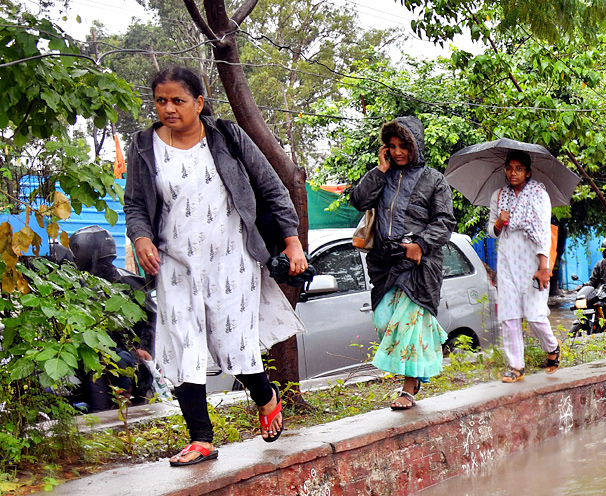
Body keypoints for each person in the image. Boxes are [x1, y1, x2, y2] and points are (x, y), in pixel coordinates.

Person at [124, 66, 307, 467]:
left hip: (231, 260)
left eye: (178, 100)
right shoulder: (144, 146)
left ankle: (266, 397)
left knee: (233, 346)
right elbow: (136, 204)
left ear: (199, 102)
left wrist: (292, 241)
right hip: (174, 264)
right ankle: (201, 439)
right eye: (160, 101)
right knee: (181, 346)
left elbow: (270, 186)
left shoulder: (225, 136)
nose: (168, 109)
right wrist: (140, 238)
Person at [348, 117, 455, 411]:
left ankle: (408, 388)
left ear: (415, 146)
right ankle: (416, 375)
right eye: (392, 147)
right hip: (385, 264)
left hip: (420, 265)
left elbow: (445, 222)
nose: (397, 153)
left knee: (410, 325)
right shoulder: (383, 175)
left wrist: (418, 245)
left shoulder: (434, 180)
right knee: (384, 322)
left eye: (403, 146)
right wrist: (380, 170)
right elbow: (358, 201)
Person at [489, 149, 561, 383]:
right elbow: (491, 231)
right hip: (507, 259)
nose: (513, 173)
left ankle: (552, 347)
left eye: (519, 169)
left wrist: (544, 267)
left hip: (533, 259)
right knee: (509, 316)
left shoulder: (538, 194)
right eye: (509, 168)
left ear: (528, 172)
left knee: (535, 315)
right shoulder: (498, 196)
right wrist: (500, 222)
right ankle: (515, 365)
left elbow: (542, 231)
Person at [69, 226, 155, 410]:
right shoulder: (78, 286)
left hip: (123, 361)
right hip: (95, 359)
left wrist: (142, 348)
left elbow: (152, 320)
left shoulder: (128, 283)